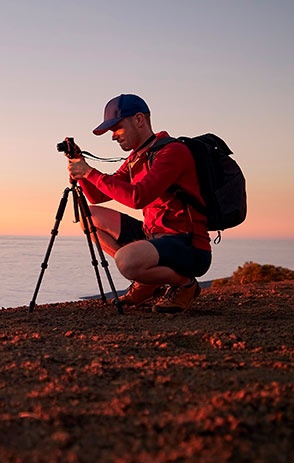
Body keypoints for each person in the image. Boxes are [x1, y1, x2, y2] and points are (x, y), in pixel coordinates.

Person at [66, 94, 211, 313]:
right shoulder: (136, 158)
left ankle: (184, 284)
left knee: (126, 262)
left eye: (117, 128)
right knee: (89, 216)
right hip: (153, 237)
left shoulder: (172, 152)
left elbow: (138, 197)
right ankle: (147, 280)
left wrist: (90, 172)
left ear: (139, 120)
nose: (113, 136)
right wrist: (82, 172)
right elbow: (98, 196)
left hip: (187, 244)